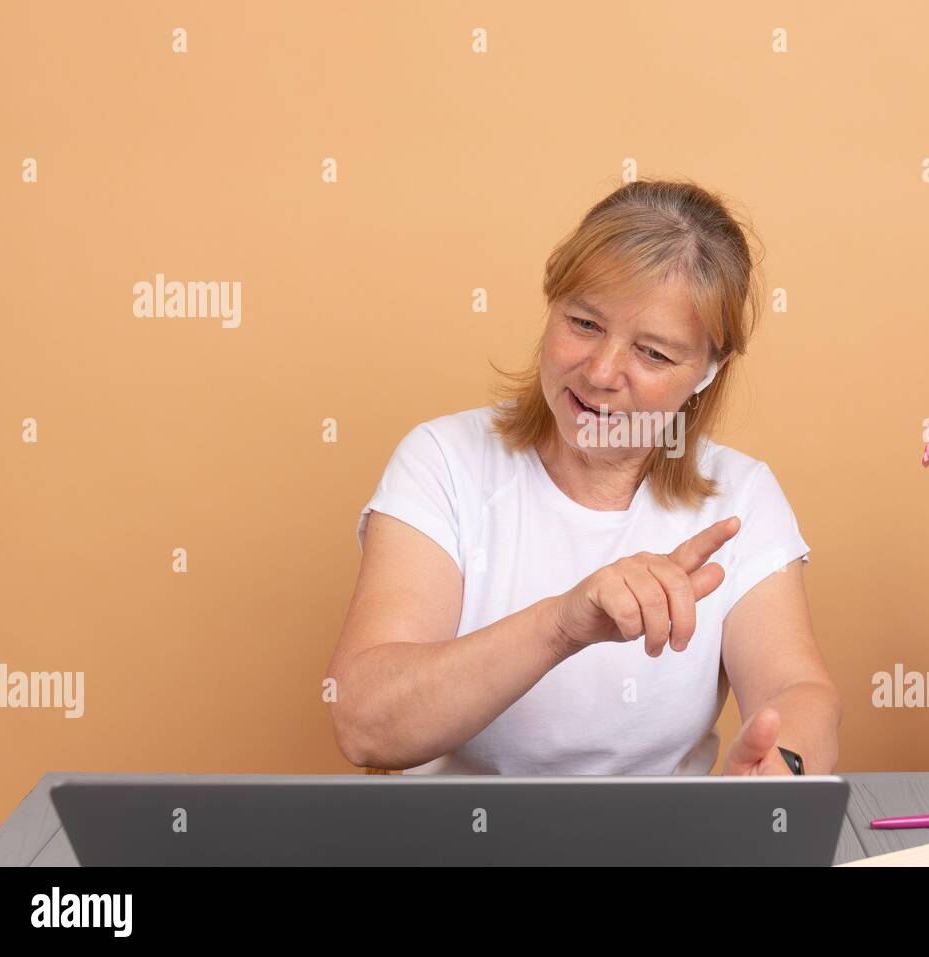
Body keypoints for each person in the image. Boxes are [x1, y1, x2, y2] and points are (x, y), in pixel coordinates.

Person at [327, 178, 841, 776]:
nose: (600, 372)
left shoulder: (742, 495)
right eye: (584, 323)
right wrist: (562, 625)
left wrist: (785, 764)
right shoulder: (443, 459)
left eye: (653, 353)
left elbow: (801, 693)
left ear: (707, 370)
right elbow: (365, 723)